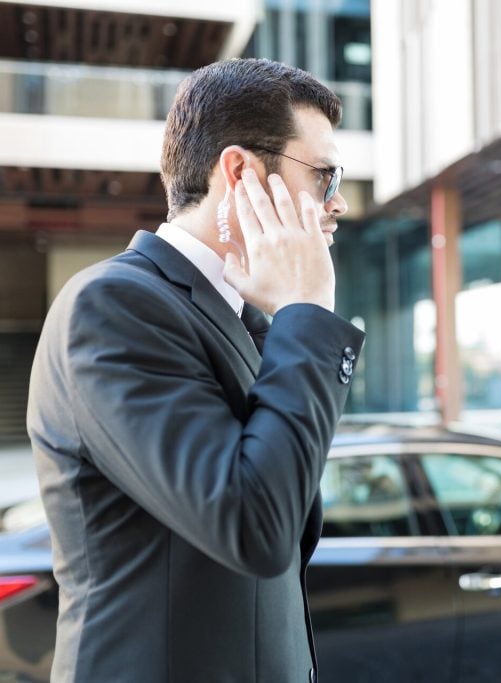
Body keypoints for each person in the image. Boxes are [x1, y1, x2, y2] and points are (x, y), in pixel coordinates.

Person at [27, 58, 365, 683]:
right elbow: (253, 527)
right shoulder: (112, 306)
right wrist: (309, 309)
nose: (338, 201)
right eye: (324, 174)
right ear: (238, 171)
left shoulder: (248, 318)